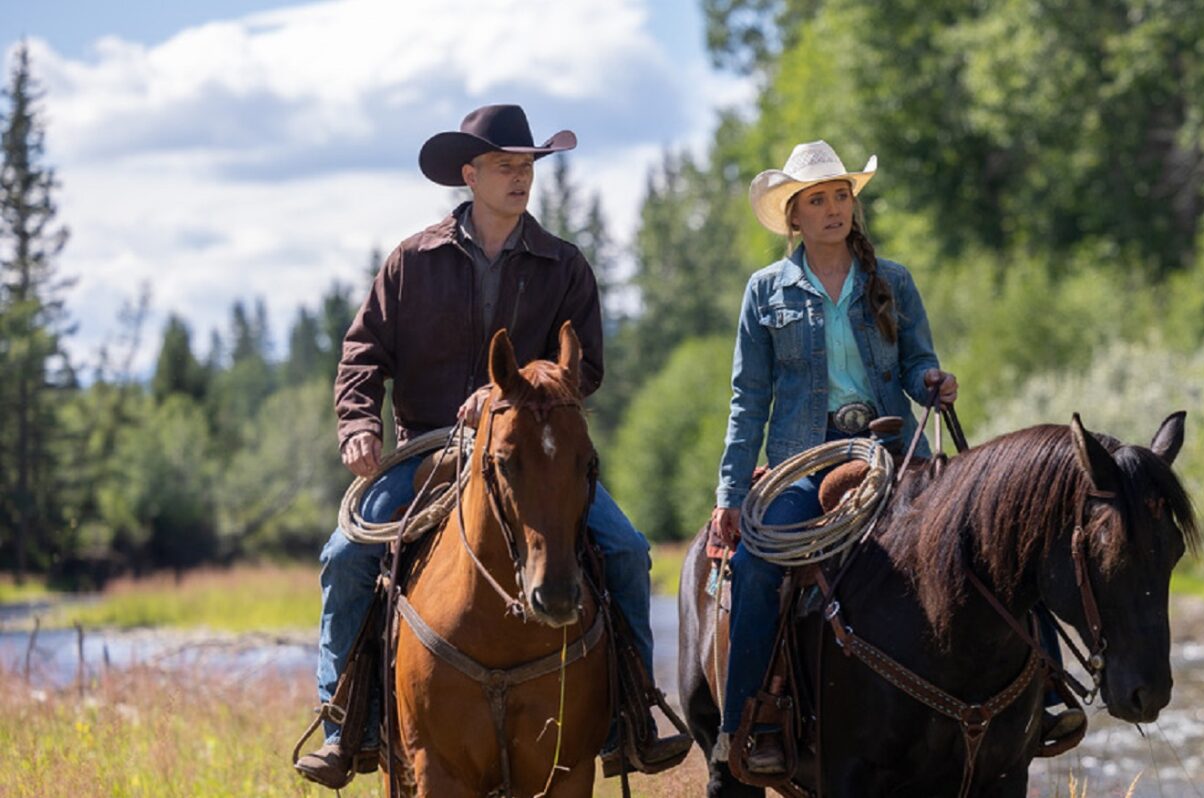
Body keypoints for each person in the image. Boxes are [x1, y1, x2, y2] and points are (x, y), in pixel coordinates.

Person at [294, 104, 689, 788]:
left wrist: (519, 388)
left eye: (527, 166)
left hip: (530, 450)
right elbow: (363, 353)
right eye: (506, 166)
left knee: (625, 551)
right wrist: (358, 425)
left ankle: (632, 714)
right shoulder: (412, 262)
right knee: (347, 556)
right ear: (469, 175)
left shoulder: (563, 265)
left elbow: (585, 367)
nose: (520, 178)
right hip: (426, 451)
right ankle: (344, 724)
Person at [709, 140, 1080, 776]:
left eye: (841, 196)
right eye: (817, 200)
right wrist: (731, 493)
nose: (833, 209)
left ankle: (1045, 689)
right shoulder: (764, 291)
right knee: (758, 567)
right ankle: (749, 722)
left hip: (892, 451)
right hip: (804, 460)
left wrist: (933, 378)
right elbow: (749, 398)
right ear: (793, 217)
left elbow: (915, 362)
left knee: (994, 535)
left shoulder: (893, 280)